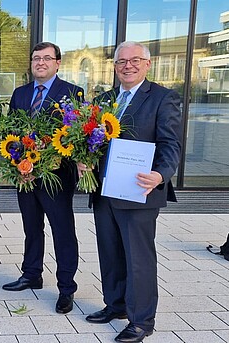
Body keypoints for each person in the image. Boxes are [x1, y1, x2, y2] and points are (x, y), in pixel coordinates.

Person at [82, 41, 182, 343]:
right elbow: (92, 142)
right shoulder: (104, 100)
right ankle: (115, 305)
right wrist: (83, 162)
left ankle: (142, 320)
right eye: (121, 61)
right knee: (110, 252)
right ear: (115, 67)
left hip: (141, 190)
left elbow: (170, 144)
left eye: (135, 60)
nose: (128, 65)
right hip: (106, 191)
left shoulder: (163, 98)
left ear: (147, 64)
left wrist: (160, 174)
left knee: (138, 258)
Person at [1, 42, 83, 314]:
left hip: (56, 179)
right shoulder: (20, 93)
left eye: (47, 58)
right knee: (31, 228)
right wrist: (18, 166)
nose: (41, 63)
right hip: (25, 177)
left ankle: (66, 288)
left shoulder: (72, 93)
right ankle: (32, 274)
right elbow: (11, 136)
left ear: (58, 63)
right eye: (36, 58)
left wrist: (50, 160)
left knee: (62, 231)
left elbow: (76, 137)